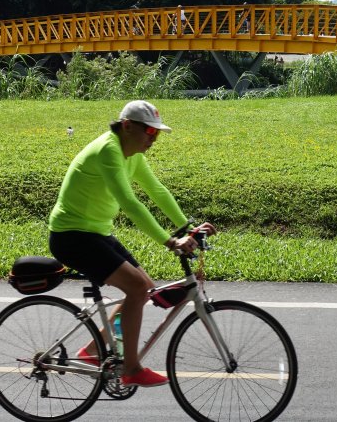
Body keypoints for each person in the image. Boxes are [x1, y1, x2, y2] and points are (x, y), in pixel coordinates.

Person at [48, 100, 215, 387]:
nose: (153, 139)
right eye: (149, 132)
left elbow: (156, 190)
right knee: (137, 289)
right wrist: (170, 240)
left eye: (157, 134)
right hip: (71, 236)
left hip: (96, 232)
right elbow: (129, 202)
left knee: (144, 288)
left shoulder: (132, 153)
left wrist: (187, 227)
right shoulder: (109, 150)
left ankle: (91, 352)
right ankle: (131, 368)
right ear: (127, 126)